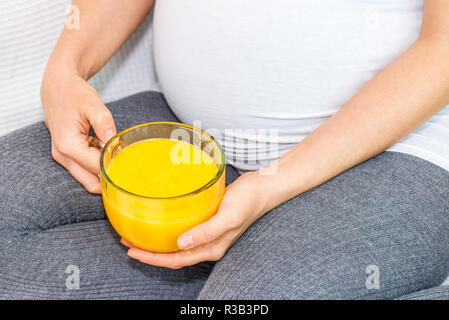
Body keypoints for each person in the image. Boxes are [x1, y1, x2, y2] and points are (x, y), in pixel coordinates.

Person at [1, 0, 449, 299]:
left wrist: (268, 191)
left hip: (386, 150)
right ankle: (236, 267)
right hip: (188, 133)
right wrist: (64, 70)